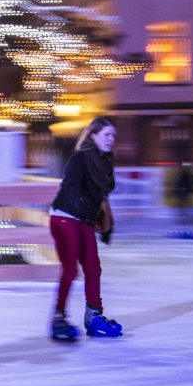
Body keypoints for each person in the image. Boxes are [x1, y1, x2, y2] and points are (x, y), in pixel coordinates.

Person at [48, 116, 123, 341]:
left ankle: (94, 317)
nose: (111, 139)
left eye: (113, 135)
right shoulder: (79, 158)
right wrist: (86, 211)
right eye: (106, 135)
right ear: (93, 136)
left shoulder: (106, 161)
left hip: (84, 220)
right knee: (70, 270)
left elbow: (101, 196)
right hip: (64, 218)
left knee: (93, 268)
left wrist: (104, 221)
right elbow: (70, 189)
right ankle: (58, 317)